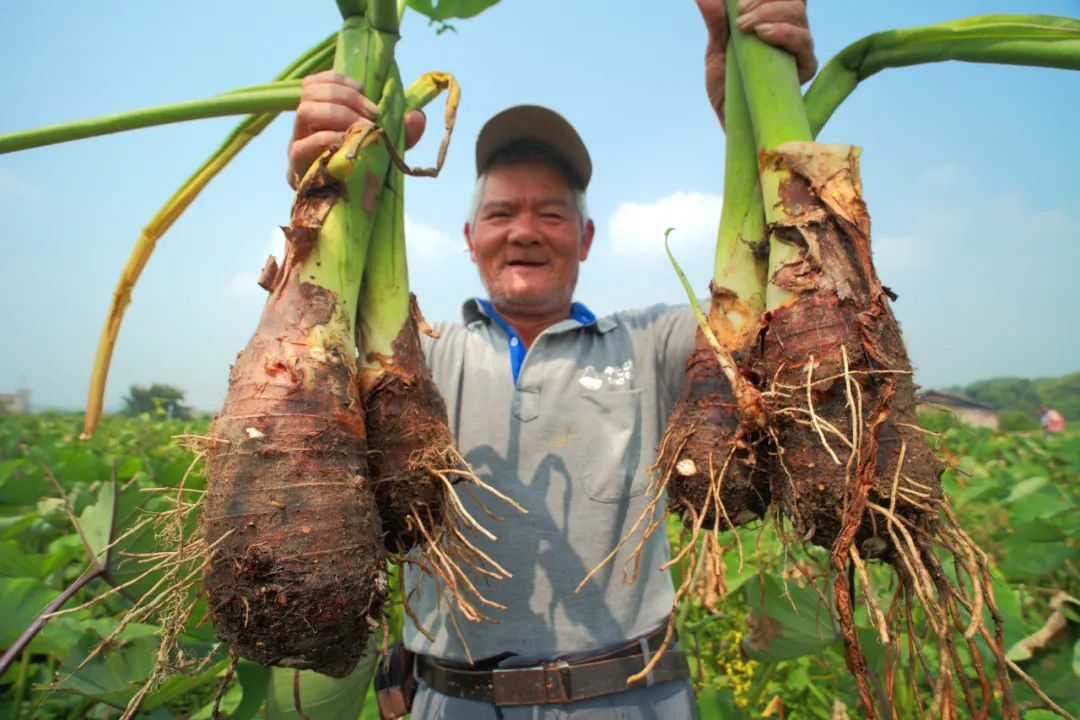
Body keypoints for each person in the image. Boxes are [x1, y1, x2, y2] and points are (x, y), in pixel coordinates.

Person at [287, 2, 815, 717]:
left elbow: (772, 317)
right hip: (452, 700)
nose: (525, 232)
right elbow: (315, 340)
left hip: (633, 698)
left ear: (586, 237)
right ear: (470, 237)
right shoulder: (419, 361)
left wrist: (754, 118)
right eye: (501, 214)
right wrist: (328, 178)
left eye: (552, 213)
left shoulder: (656, 343)